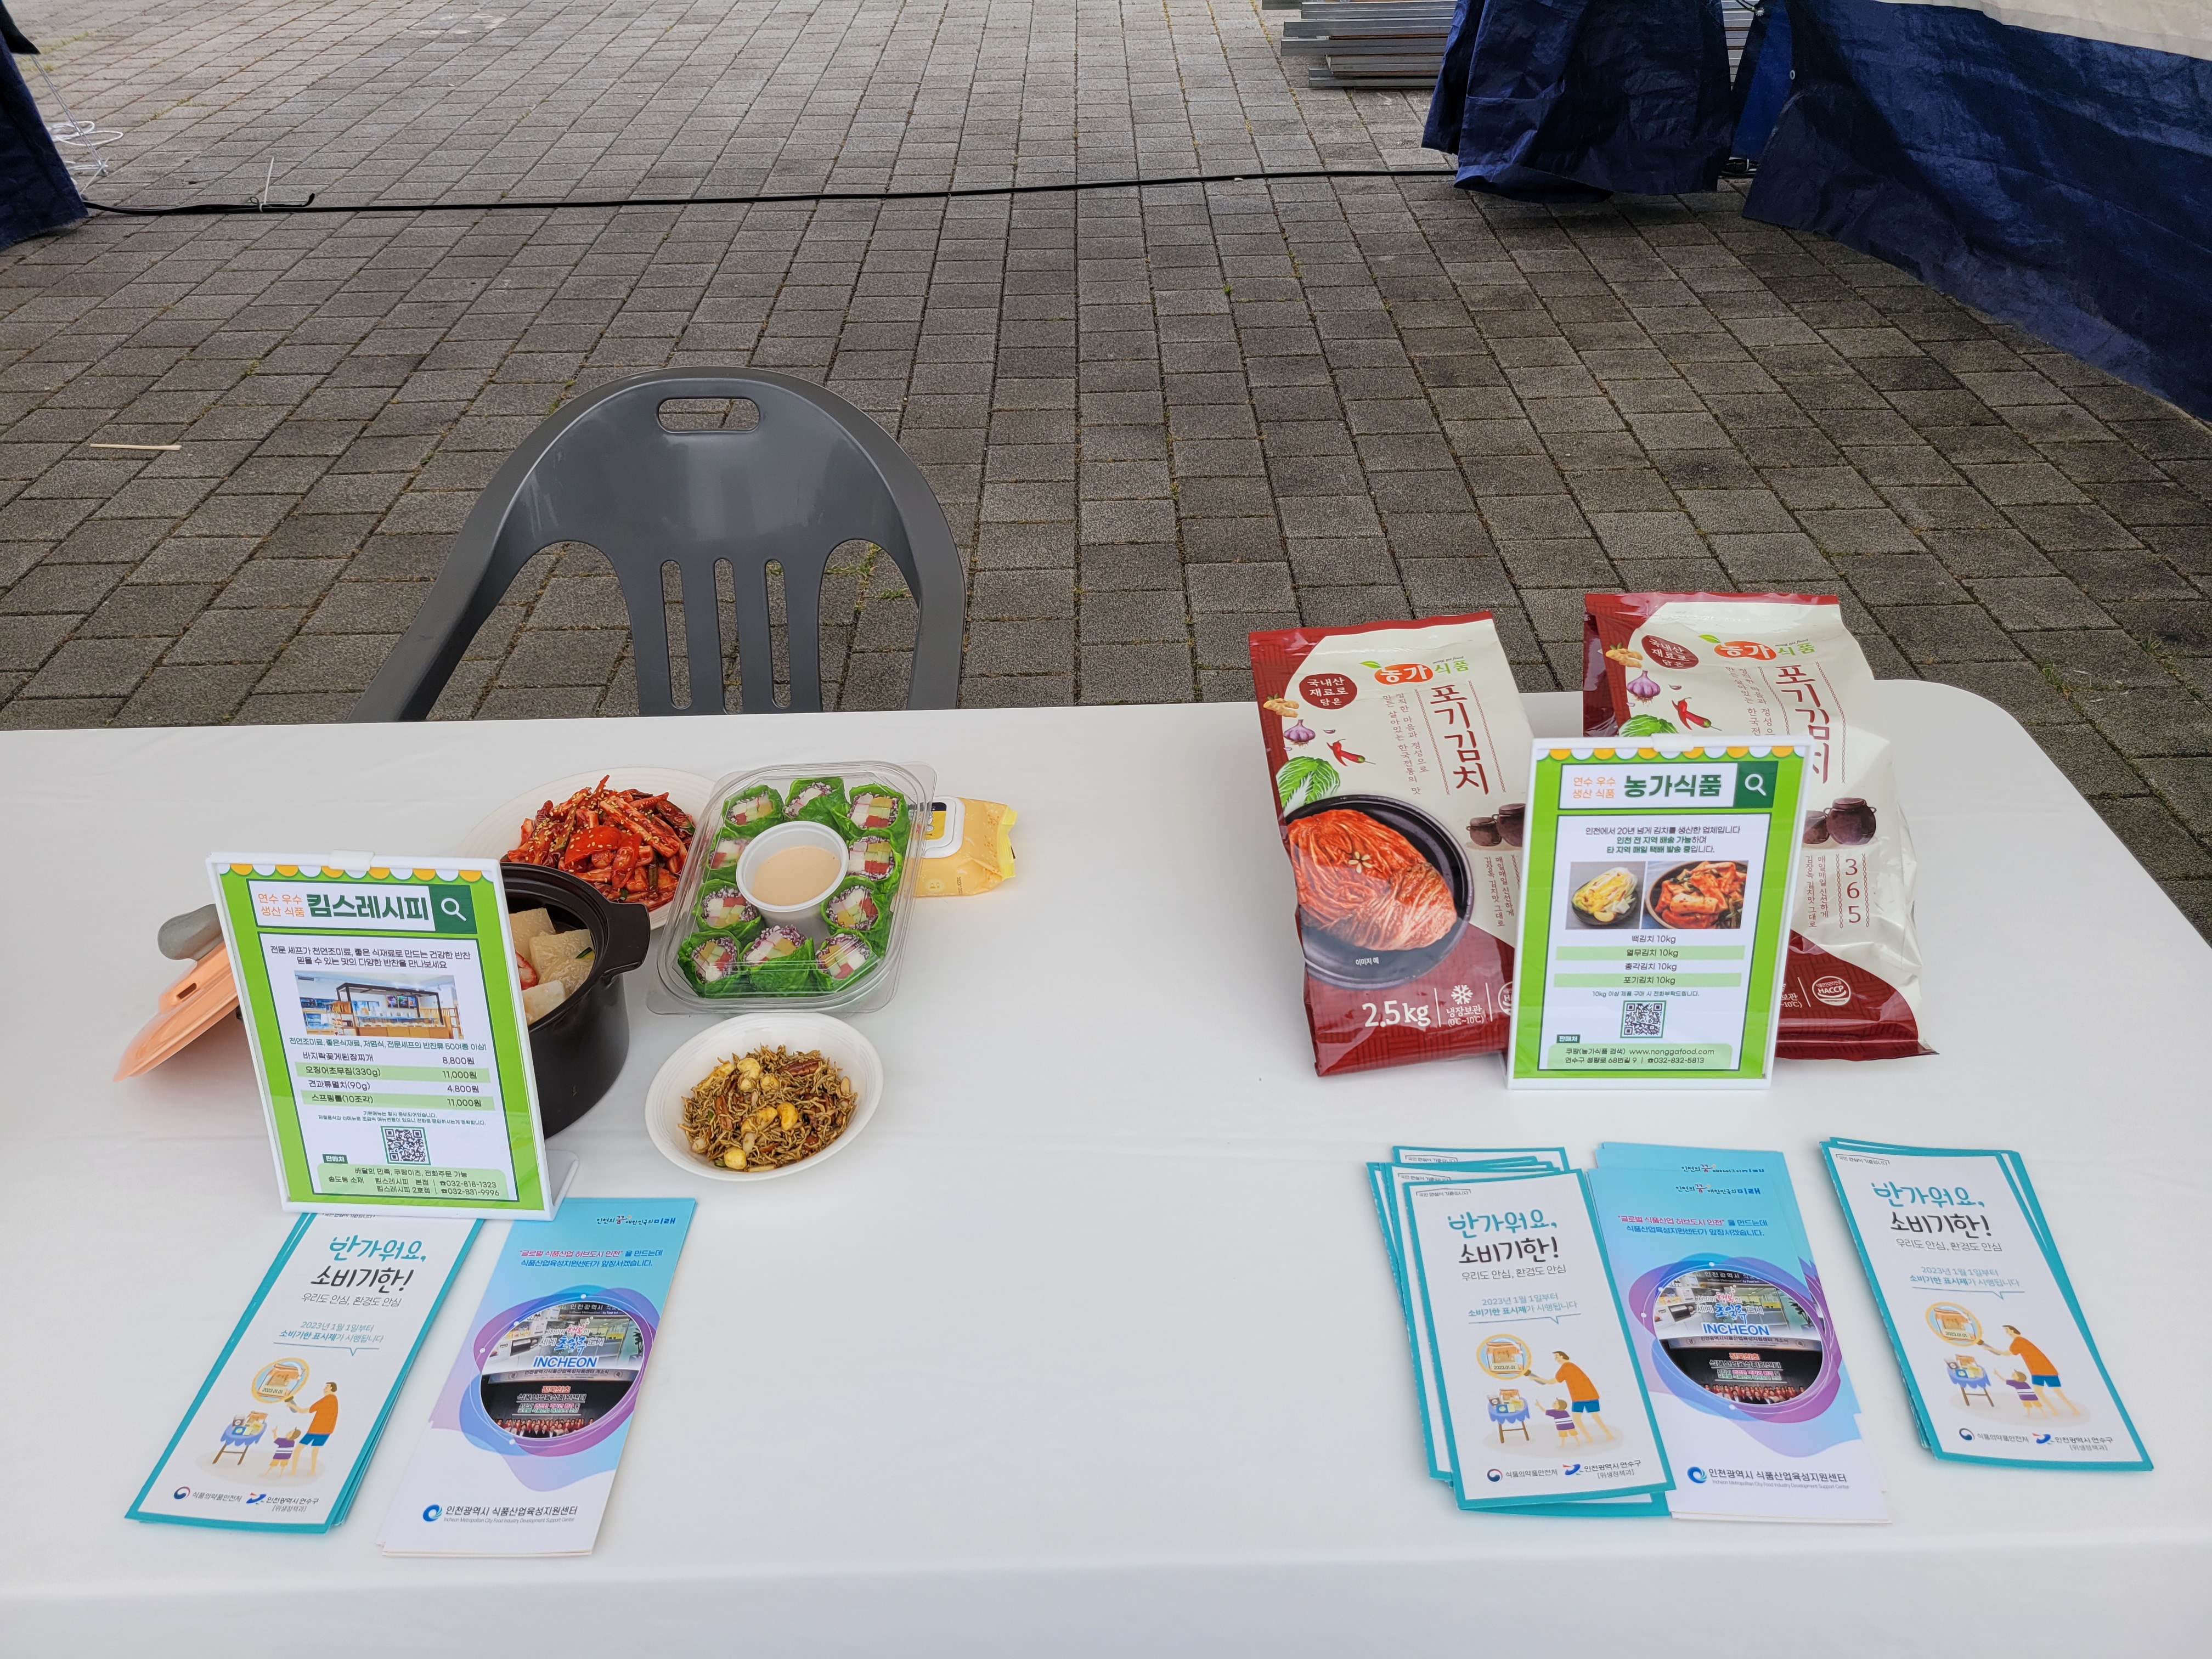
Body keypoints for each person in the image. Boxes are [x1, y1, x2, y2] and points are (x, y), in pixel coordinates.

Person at [1978, 1325, 2080, 1416]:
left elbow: (2006, 1354)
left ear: (2013, 1330)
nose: (2007, 1333)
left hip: (2044, 1369)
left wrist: (1990, 1349)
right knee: (2041, 1392)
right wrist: (1989, 1348)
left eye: (2007, 1330)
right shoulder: (2020, 1341)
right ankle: (2056, 1410)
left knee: (2056, 1391)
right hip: (2036, 1371)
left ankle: (2072, 1409)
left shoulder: (2019, 1341)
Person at [1530, 1351, 1612, 1441]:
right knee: (1593, 1417)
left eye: (1557, 1357)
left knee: (1579, 1419)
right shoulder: (1571, 1366)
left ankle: (1591, 1438)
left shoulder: (1566, 1367)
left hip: (1580, 1397)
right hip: (1589, 1395)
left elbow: (1552, 1382)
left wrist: (1536, 1378)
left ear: (1562, 1356)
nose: (1556, 1359)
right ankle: (1604, 1435)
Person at [289, 1382, 340, 1474]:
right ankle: (312, 1471)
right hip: (327, 1431)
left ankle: (293, 1471)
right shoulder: (334, 1400)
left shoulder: (326, 1400)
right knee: (315, 1450)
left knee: (298, 1449)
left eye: (327, 1387)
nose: (324, 1389)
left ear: (332, 1388)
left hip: (316, 1429)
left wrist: (293, 1406)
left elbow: (304, 1411)